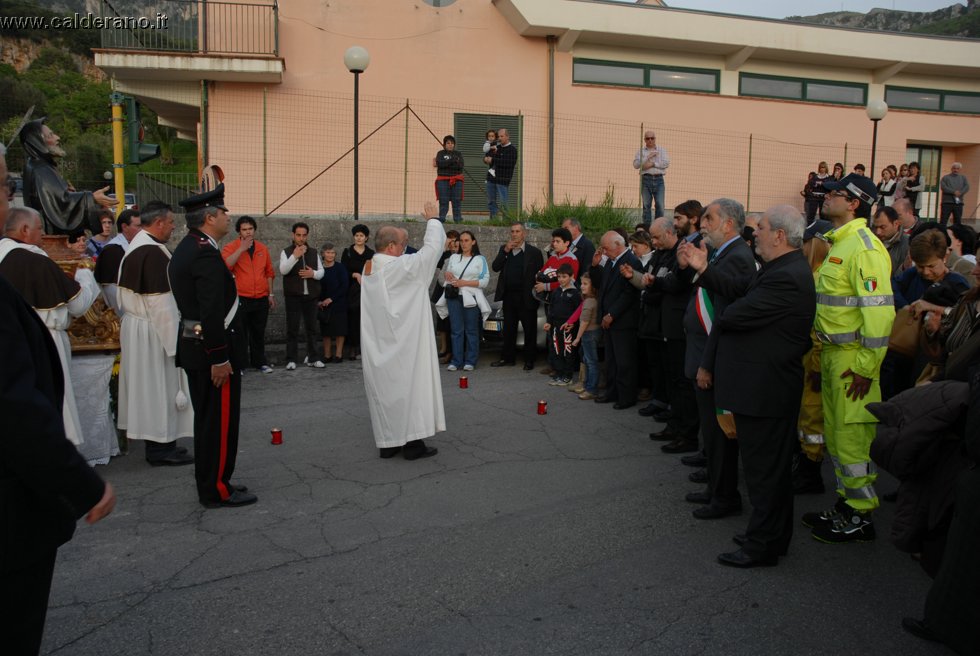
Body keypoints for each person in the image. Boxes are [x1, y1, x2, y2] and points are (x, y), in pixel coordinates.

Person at [0, 143, 116, 654]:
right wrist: (80, 484)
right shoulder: (29, 259)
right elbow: (13, 405)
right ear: (30, 232)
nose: (8, 197)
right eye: (6, 186)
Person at [681, 205, 816, 567]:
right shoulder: (777, 268)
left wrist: (729, 311)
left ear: (780, 236)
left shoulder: (787, 275)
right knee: (766, 473)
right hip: (763, 387)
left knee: (765, 475)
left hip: (766, 390)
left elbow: (735, 312)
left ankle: (763, 545)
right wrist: (705, 269)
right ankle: (770, 535)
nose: (754, 232)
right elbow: (738, 292)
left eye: (761, 228)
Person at [802, 173, 894, 543]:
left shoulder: (864, 248)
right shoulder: (839, 243)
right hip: (833, 356)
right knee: (838, 439)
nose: (827, 197)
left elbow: (880, 314)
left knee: (852, 439)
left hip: (853, 361)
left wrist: (865, 368)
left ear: (855, 202)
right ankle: (846, 504)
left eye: (836, 194)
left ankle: (861, 515)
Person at [171, 183, 257, 508]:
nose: (227, 216)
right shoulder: (203, 252)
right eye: (223, 211)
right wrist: (220, 358)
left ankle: (214, 481)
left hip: (199, 350)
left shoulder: (191, 246)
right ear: (209, 217)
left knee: (209, 422)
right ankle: (217, 489)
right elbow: (210, 311)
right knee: (217, 424)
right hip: (212, 355)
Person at [676, 199, 757, 519]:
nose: (702, 224)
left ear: (728, 224)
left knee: (720, 434)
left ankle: (725, 497)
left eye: (709, 218)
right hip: (707, 354)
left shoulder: (738, 256)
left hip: (718, 359)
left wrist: (707, 364)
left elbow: (724, 315)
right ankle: (716, 489)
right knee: (711, 433)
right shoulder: (723, 253)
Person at [0, 206, 100, 447]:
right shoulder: (35, 260)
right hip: (46, 338)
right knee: (54, 399)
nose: (43, 235)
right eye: (40, 229)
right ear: (25, 230)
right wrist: (86, 276)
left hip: (9, 340)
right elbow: (78, 306)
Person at [361, 202, 446, 461]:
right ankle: (412, 444)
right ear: (390, 247)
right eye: (402, 243)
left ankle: (388, 443)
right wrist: (433, 221)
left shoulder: (370, 268)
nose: (405, 247)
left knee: (387, 392)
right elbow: (432, 251)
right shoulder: (400, 268)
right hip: (405, 343)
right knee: (411, 388)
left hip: (380, 344)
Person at [116, 200, 194, 466]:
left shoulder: (140, 247)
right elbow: (162, 305)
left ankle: (165, 441)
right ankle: (160, 449)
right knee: (159, 388)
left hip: (141, 327)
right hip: (153, 330)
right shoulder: (150, 253)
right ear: (159, 222)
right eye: (171, 222)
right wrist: (176, 345)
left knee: (155, 388)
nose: (174, 227)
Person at [18, 118, 118, 237]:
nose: (57, 137)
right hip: (51, 241)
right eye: (50, 135)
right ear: (38, 141)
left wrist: (74, 194)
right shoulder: (41, 169)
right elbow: (60, 204)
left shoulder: (40, 166)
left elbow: (57, 199)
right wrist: (91, 198)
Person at [590, 231, 642, 409]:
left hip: (623, 321)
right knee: (611, 360)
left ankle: (626, 396)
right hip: (609, 320)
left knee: (624, 361)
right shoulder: (612, 262)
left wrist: (612, 314)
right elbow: (601, 286)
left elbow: (629, 294)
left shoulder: (631, 261)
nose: (603, 252)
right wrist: (595, 266)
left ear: (618, 245)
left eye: (606, 248)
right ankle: (612, 392)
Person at [222, 216, 276, 373]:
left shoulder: (262, 248)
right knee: (240, 333)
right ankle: (240, 364)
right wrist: (241, 249)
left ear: (254, 230)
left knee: (258, 332)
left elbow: (269, 273)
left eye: (250, 229)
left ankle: (260, 362)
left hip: (260, 297)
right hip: (241, 297)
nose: (248, 232)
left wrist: (270, 294)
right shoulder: (231, 247)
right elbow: (226, 266)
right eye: (244, 229)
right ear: (239, 231)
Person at [490, 222, 544, 370]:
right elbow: (495, 267)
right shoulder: (505, 250)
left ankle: (529, 360)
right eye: (512, 231)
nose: (514, 234)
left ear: (524, 234)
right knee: (509, 329)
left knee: (529, 330)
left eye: (518, 231)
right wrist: (505, 250)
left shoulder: (534, 252)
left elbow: (540, 275)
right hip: (509, 297)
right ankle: (508, 358)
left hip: (527, 297)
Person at [441, 230, 490, 371]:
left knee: (471, 330)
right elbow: (448, 275)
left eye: (466, 240)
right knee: (456, 330)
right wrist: (447, 274)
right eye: (461, 241)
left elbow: (484, 281)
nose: (463, 243)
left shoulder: (480, 259)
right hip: (454, 297)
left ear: (473, 242)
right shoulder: (453, 258)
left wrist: (464, 283)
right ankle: (456, 361)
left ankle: (470, 360)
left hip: (471, 298)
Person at [280, 222, 324, 369]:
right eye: (298, 235)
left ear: (307, 235)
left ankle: (313, 358)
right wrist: (294, 256)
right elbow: (283, 270)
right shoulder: (286, 252)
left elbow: (321, 272)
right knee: (292, 329)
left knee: (311, 329)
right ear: (293, 235)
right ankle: (291, 359)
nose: (301, 238)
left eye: (304, 235)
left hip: (310, 296)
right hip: (293, 296)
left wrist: (313, 274)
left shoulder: (313, 252)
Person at [93, 208, 141, 316]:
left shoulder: (136, 245)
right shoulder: (112, 250)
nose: (141, 229)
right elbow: (110, 289)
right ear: (124, 227)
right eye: (138, 226)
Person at [544, 263, 582, 386]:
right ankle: (559, 374)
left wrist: (573, 324)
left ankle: (568, 376)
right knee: (557, 350)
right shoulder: (556, 292)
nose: (561, 279)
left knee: (568, 351)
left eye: (564, 276)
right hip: (555, 326)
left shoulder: (575, 293)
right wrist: (549, 322)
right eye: (559, 277)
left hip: (568, 327)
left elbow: (578, 311)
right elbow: (551, 309)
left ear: (571, 277)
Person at [341, 224, 374, 360]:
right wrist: (354, 274)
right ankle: (353, 348)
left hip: (367, 289)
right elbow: (343, 271)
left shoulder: (371, 253)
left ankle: (364, 348)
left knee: (366, 319)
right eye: (356, 235)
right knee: (353, 317)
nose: (359, 238)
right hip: (352, 290)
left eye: (361, 236)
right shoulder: (347, 252)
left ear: (366, 238)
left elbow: (373, 270)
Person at [570, 272, 601, 400]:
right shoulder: (592, 300)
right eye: (581, 283)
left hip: (589, 334)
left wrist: (577, 338)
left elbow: (584, 322)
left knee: (591, 361)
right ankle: (586, 384)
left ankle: (591, 389)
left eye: (585, 284)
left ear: (593, 287)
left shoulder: (589, 302)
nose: (582, 286)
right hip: (593, 333)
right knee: (587, 359)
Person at [317, 243, 349, 363]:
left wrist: (332, 299)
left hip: (339, 302)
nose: (330, 255)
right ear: (323, 254)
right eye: (328, 252)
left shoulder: (340, 267)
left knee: (340, 330)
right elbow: (316, 286)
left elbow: (344, 285)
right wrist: (319, 301)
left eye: (332, 253)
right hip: (323, 305)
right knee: (326, 332)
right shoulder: (320, 269)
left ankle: (339, 354)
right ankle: (327, 355)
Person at [633, 130, 670, 226]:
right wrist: (647, 157)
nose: (650, 140)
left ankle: (658, 227)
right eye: (647, 138)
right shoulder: (641, 152)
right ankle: (647, 229)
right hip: (646, 180)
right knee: (646, 206)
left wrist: (652, 164)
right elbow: (636, 165)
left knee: (660, 205)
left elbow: (666, 163)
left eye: (652, 138)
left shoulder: (662, 150)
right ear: (644, 139)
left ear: (655, 139)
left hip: (659, 179)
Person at [485, 128, 518, 220]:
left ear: (507, 136)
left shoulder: (512, 150)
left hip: (503, 179)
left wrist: (493, 159)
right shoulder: (496, 147)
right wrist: (485, 159)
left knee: (503, 201)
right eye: (498, 136)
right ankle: (493, 220)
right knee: (491, 201)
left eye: (501, 136)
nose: (499, 138)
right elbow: (487, 156)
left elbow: (508, 163)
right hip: (491, 178)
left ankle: (506, 221)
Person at [433, 135, 465, 223]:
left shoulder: (458, 154)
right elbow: (440, 164)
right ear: (444, 144)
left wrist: (447, 163)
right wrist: (452, 160)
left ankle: (458, 220)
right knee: (443, 200)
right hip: (442, 180)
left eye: (452, 143)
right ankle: (442, 218)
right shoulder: (440, 153)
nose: (450, 145)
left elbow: (460, 166)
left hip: (457, 180)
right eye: (448, 143)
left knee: (456, 201)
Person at [870, 206, 909, 276]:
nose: (878, 232)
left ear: (896, 224)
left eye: (883, 227)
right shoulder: (870, 240)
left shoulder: (908, 244)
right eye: (875, 227)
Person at [561, 217, 595, 282]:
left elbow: (586, 271)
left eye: (566, 228)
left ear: (576, 228)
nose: (563, 231)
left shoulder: (587, 245)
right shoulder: (567, 244)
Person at [939, 162, 970, 227]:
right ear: (951, 169)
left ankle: (956, 235)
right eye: (954, 168)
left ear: (960, 169)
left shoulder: (963, 178)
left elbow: (967, 187)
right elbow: (943, 187)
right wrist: (953, 192)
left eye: (957, 168)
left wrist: (960, 192)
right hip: (947, 203)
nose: (956, 170)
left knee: (957, 222)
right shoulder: (945, 177)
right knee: (943, 221)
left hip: (958, 203)